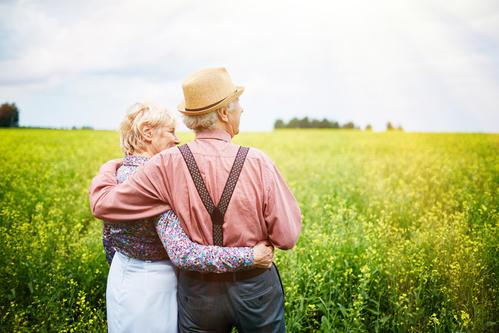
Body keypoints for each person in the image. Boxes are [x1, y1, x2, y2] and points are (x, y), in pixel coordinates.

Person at [89, 67, 301, 333]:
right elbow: (287, 237)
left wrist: (111, 167)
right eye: (238, 105)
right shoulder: (258, 161)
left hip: (199, 293)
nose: (242, 111)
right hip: (255, 287)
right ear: (224, 113)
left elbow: (104, 204)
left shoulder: (166, 163)